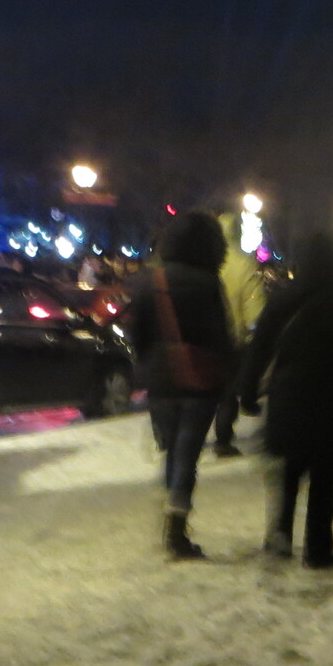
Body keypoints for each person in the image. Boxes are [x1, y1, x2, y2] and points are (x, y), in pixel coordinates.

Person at [240, 232, 333, 568]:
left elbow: (258, 351)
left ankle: (280, 532)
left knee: (287, 471)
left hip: (286, 399)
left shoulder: (280, 304)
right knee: (325, 478)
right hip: (329, 401)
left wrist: (248, 393)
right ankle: (318, 548)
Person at [119, 211, 234, 559]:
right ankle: (177, 524)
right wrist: (228, 376)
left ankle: (172, 510)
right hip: (200, 379)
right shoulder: (208, 282)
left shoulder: (149, 280)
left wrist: (147, 365)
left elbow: (135, 332)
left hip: (161, 379)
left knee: (172, 449)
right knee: (188, 452)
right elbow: (221, 335)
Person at [211, 211, 269, 458]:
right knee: (227, 391)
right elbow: (255, 308)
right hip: (232, 338)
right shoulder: (244, 265)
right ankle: (223, 438)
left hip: (204, 336)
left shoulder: (207, 263)